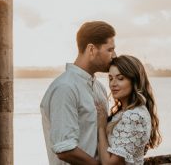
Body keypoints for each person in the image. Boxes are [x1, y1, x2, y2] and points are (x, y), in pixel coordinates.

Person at [40, 21, 117, 165]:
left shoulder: (99, 87)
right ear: (91, 49)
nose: (114, 55)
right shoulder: (65, 88)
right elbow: (65, 150)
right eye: (110, 50)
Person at [94, 55, 161, 165]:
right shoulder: (124, 112)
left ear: (134, 81)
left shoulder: (133, 116)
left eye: (120, 78)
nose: (113, 84)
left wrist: (101, 127)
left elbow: (109, 164)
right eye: (110, 78)